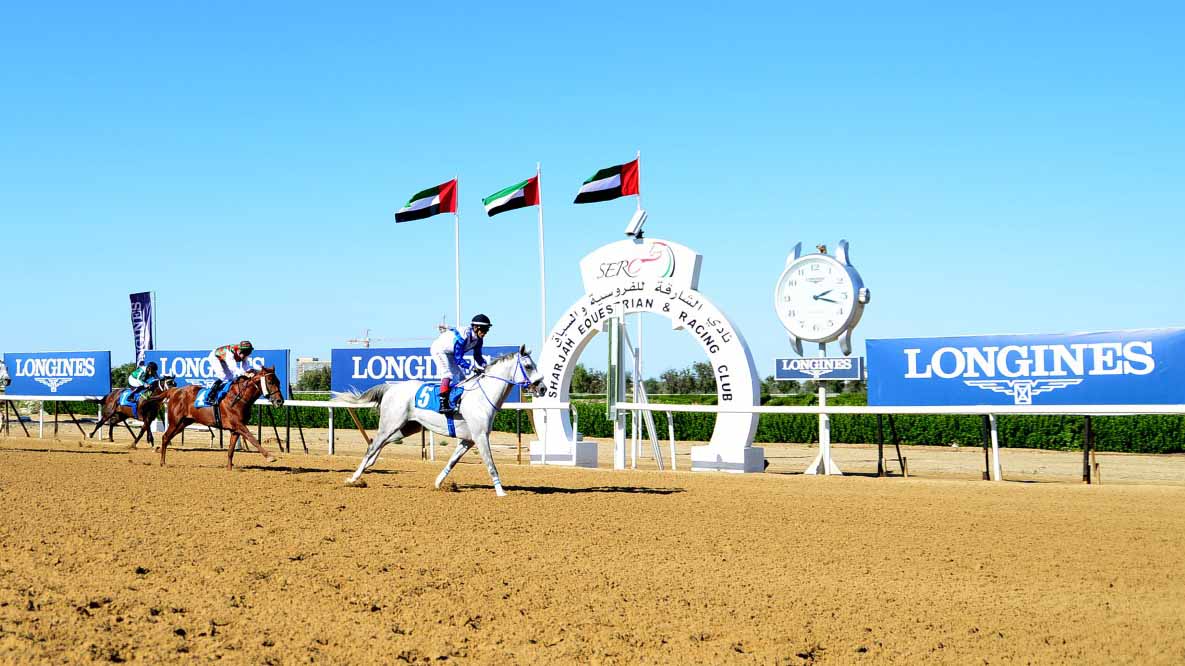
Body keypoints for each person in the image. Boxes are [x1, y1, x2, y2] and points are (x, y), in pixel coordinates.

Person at [429, 314, 490, 414]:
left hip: (450, 353)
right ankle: (443, 404)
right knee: (447, 374)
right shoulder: (463, 336)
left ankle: (457, 402)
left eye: (487, 330)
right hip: (439, 350)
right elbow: (459, 359)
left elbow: (478, 356)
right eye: (483, 330)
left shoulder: (479, 340)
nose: (485, 333)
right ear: (475, 328)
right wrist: (472, 368)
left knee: (462, 379)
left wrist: (486, 366)